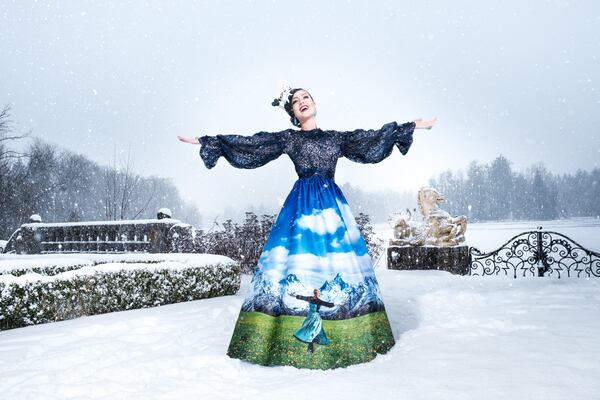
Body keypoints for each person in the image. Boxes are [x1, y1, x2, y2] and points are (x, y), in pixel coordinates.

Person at [178, 86, 436, 369]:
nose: (301, 102)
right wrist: (211, 142)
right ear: (291, 112)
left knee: (340, 261)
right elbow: (253, 144)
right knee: (291, 262)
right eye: (295, 101)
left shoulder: (336, 139)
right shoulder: (289, 139)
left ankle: (355, 337)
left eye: (305, 98)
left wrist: (411, 127)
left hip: (331, 203)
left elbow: (370, 139)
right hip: (300, 205)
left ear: (315, 103)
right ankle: (275, 340)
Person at [289, 288, 340, 354]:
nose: (318, 294)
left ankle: (310, 350)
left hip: (313, 318)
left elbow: (302, 297)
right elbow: (328, 304)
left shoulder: (311, 299)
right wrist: (295, 295)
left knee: (312, 331)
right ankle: (310, 349)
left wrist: (295, 295)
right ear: (316, 294)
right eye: (317, 293)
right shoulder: (314, 300)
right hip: (312, 317)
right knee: (311, 331)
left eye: (318, 293)